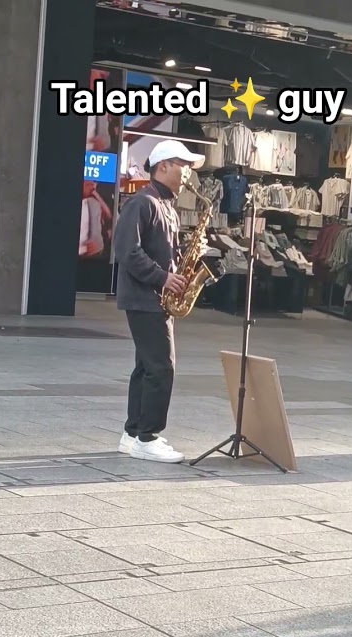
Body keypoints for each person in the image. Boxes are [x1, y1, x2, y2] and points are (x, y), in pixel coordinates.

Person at [112, 140, 205, 463]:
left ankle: (133, 432)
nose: (187, 173)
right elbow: (127, 251)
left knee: (145, 367)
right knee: (161, 367)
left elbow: (167, 253)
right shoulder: (142, 202)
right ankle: (148, 437)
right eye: (183, 166)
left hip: (154, 298)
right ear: (163, 166)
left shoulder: (166, 205)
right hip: (145, 296)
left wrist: (184, 264)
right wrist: (163, 277)